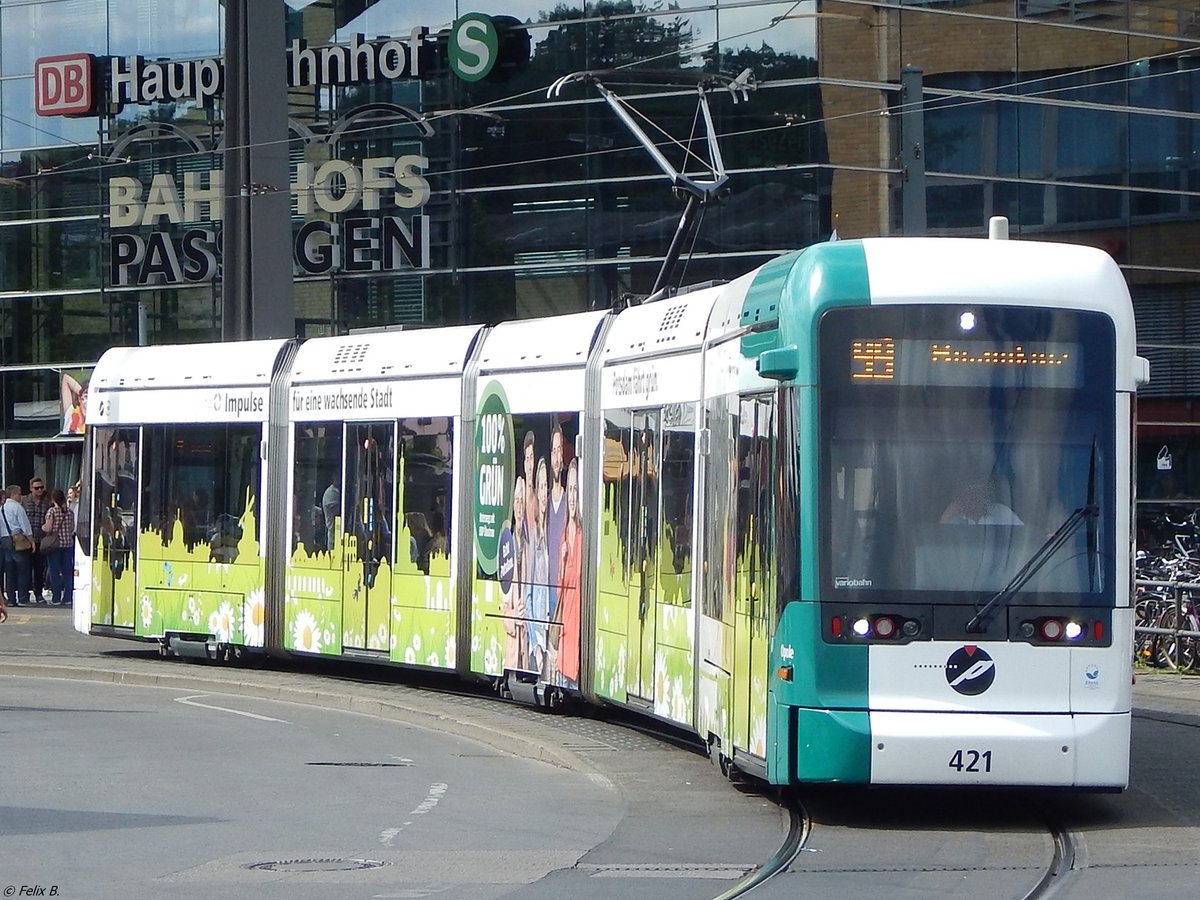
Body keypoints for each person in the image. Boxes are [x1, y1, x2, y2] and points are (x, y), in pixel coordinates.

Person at [554, 458, 583, 687]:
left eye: (575, 490)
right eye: (569, 490)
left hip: (578, 621)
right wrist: (562, 558)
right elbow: (560, 587)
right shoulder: (564, 537)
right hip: (566, 622)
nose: (572, 497)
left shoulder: (584, 537)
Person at [0, 484, 34, 607]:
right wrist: (31, 541)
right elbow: (25, 526)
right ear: (14, 494)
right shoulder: (17, 508)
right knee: (22, 570)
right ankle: (22, 597)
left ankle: (11, 599)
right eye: (19, 494)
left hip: (5, 540)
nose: (21, 496)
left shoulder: (2, 508)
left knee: (10, 571)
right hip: (18, 539)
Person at [940, 476, 1023, 526]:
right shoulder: (954, 517)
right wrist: (947, 515)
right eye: (970, 493)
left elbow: (1020, 538)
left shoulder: (1003, 513)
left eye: (978, 492)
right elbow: (939, 543)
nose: (974, 498)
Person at [41, 488, 74, 607]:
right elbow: (72, 529)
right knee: (67, 572)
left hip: (54, 545)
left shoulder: (52, 511)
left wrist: (43, 527)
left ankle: (56, 598)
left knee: (54, 571)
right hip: (67, 544)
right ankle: (68, 597)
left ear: (53, 499)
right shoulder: (70, 512)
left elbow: (48, 528)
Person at [22, 477, 51, 602]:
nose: (39, 490)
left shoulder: (47, 502)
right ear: (31, 489)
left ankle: (38, 593)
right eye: (36, 488)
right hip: (26, 540)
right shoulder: (24, 501)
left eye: (41, 487)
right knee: (26, 568)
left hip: (41, 540)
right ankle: (25, 594)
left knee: (39, 569)